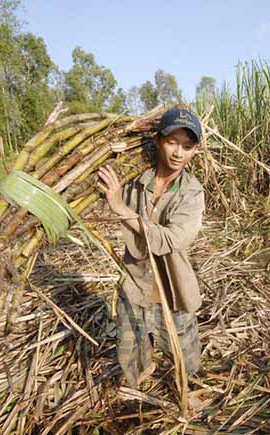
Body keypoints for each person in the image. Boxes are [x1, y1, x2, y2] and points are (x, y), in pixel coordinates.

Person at [97, 107, 204, 387]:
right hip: (135, 285)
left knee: (185, 358)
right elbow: (104, 191)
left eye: (187, 146)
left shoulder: (191, 192)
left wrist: (121, 209)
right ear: (157, 140)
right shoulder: (134, 180)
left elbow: (171, 240)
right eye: (172, 142)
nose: (179, 153)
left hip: (173, 291)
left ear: (195, 151)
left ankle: (184, 390)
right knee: (130, 351)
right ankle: (136, 387)